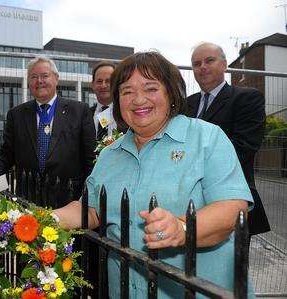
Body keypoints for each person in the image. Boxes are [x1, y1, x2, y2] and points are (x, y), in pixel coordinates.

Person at [53, 51, 255, 298]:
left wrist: (181, 228)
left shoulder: (207, 138)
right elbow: (91, 210)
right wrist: (42, 219)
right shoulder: (109, 154)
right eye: (127, 91)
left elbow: (233, 208)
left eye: (150, 88)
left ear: (171, 93)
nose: (138, 100)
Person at [0, 56, 96, 208]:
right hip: (27, 200)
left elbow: (90, 158)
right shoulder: (16, 114)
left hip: (69, 201)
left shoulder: (79, 111)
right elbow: (7, 153)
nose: (39, 81)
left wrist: (89, 198)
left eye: (45, 76)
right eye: (34, 77)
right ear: (28, 82)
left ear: (56, 79)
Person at [186, 42, 270, 236]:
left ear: (224, 65)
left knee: (231, 265)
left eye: (209, 60)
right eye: (197, 63)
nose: (203, 67)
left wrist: (188, 162)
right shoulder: (187, 104)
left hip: (229, 200)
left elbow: (244, 148)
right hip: (188, 200)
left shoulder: (247, 98)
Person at [91, 61, 117, 141]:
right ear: (93, 85)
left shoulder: (126, 114)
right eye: (99, 81)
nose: (103, 85)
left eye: (108, 81)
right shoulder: (85, 115)